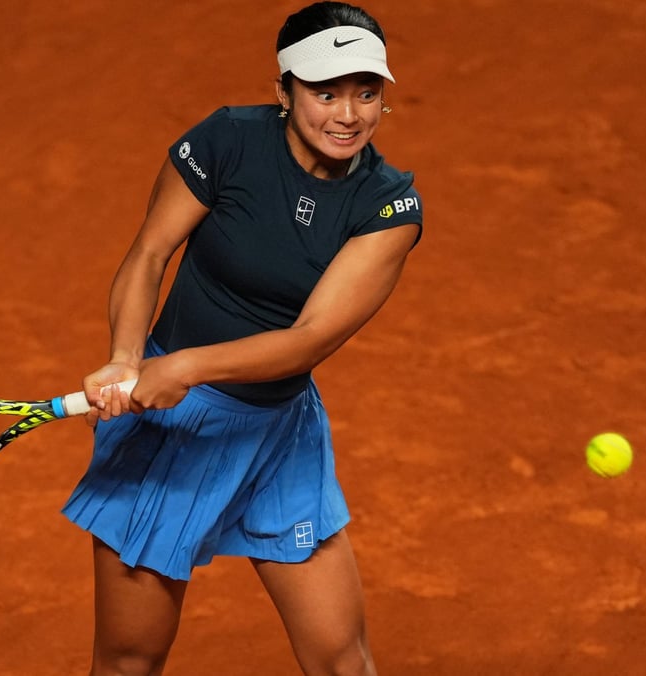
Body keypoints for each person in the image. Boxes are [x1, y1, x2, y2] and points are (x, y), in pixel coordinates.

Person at [62, 2, 422, 674]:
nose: (349, 114)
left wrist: (187, 368)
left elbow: (309, 340)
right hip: (170, 428)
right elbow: (149, 254)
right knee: (129, 660)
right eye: (325, 93)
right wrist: (126, 357)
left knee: (342, 661)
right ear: (284, 91)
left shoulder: (387, 206)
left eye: (366, 92)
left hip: (279, 434)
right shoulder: (227, 140)